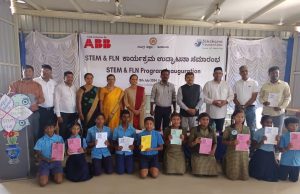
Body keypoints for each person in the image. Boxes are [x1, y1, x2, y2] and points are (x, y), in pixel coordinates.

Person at [9, 65, 45, 176]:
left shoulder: (37, 85)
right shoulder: (15, 84)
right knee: (21, 137)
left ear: (33, 73)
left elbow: (42, 99)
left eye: (30, 71)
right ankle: (23, 159)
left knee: (33, 136)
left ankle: (33, 159)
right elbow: (10, 96)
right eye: (25, 71)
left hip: (34, 114)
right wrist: (22, 98)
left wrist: (34, 99)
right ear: (22, 72)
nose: (28, 73)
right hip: (19, 115)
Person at [203, 67, 234, 161]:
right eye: (216, 73)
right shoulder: (208, 84)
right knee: (209, 133)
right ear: (213, 74)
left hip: (221, 114)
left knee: (219, 134)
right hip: (210, 114)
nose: (218, 75)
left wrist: (226, 102)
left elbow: (231, 95)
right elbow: (203, 97)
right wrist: (213, 101)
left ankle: (217, 154)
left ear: (222, 74)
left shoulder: (226, 85)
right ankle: (206, 152)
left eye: (220, 73)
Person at [259, 66, 291, 135]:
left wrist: (281, 107)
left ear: (279, 73)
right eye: (272, 73)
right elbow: (260, 97)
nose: (275, 75)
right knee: (265, 132)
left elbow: (287, 98)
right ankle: (265, 146)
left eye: (276, 73)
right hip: (266, 113)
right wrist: (263, 102)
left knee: (278, 133)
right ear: (269, 74)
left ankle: (276, 146)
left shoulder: (284, 85)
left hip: (278, 114)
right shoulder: (265, 85)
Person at [249, 115, 279, 182]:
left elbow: (276, 148)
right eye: (267, 122)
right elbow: (253, 147)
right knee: (259, 173)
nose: (269, 124)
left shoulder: (274, 132)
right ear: (261, 123)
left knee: (272, 174)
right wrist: (261, 142)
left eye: (271, 122)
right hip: (261, 152)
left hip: (270, 154)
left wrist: (277, 141)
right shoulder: (258, 132)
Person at [222, 109, 250, 180]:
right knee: (233, 174)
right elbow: (223, 141)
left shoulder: (247, 129)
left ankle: (242, 175)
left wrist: (249, 142)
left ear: (244, 118)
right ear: (234, 117)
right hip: (232, 151)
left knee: (244, 167)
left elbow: (249, 140)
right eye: (238, 117)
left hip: (243, 151)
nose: (240, 119)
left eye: (242, 117)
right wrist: (231, 142)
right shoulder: (228, 128)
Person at [233, 65, 259, 140]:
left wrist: (245, 106)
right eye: (242, 71)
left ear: (248, 71)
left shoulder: (254, 82)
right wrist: (240, 106)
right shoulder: (236, 83)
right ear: (239, 73)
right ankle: (238, 144)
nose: (244, 72)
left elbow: (254, 97)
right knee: (238, 127)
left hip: (250, 108)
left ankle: (251, 147)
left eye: (246, 71)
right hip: (238, 108)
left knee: (251, 127)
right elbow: (234, 97)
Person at [34, 64, 57, 139]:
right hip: (41, 109)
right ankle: (39, 148)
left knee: (52, 128)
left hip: (52, 110)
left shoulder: (54, 82)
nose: (45, 73)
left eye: (47, 71)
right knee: (41, 128)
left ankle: (52, 146)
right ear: (41, 71)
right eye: (43, 71)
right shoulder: (35, 81)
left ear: (50, 73)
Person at [54, 71, 78, 140]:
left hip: (73, 113)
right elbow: (56, 101)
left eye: (71, 77)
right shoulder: (59, 87)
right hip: (63, 114)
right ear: (64, 78)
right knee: (63, 131)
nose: (70, 78)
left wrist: (77, 113)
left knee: (72, 131)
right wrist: (58, 116)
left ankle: (71, 147)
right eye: (68, 77)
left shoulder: (74, 87)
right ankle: (63, 148)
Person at [112, 110, 136, 174]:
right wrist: (116, 146)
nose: (126, 119)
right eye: (124, 117)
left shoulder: (133, 129)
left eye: (128, 117)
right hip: (120, 152)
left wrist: (133, 146)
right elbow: (113, 141)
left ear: (130, 118)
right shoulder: (116, 129)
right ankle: (120, 163)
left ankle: (126, 164)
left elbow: (135, 141)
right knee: (120, 171)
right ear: (120, 118)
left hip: (129, 152)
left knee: (130, 171)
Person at [77, 73, 100, 137]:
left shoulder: (97, 89)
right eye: (88, 78)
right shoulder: (81, 89)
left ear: (93, 79)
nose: (89, 80)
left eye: (91, 78)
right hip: (84, 112)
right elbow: (78, 102)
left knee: (95, 128)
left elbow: (100, 102)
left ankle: (94, 142)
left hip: (95, 112)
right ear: (85, 79)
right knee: (85, 127)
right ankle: (85, 143)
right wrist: (80, 113)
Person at [279, 117, 300, 182]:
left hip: (296, 163)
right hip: (285, 162)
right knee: (282, 178)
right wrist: (287, 148)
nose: (294, 127)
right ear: (286, 126)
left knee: (294, 180)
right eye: (291, 125)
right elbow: (280, 150)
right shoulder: (284, 136)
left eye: (296, 125)